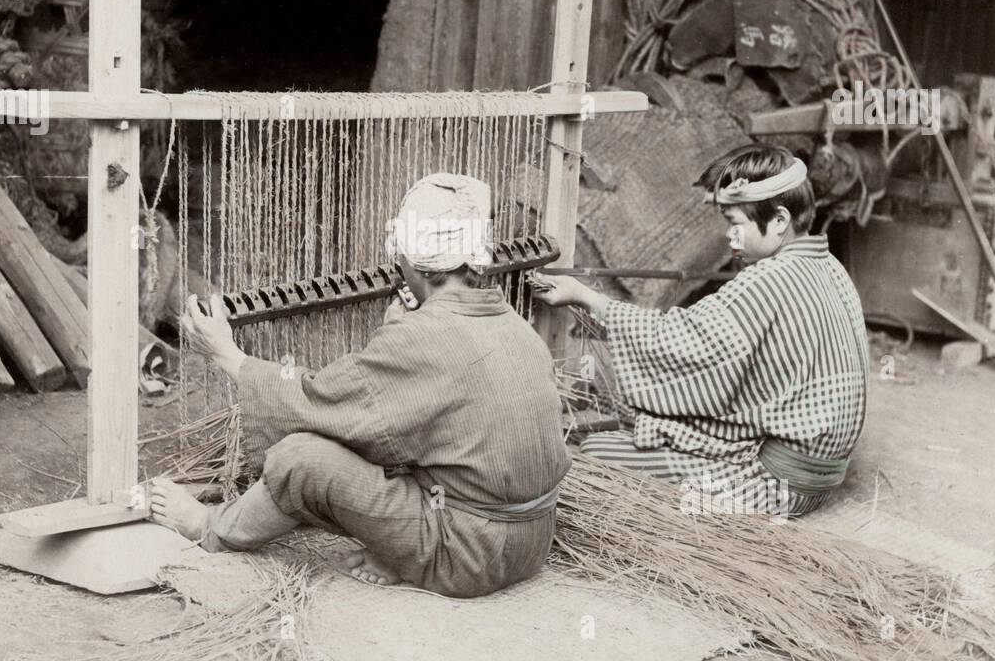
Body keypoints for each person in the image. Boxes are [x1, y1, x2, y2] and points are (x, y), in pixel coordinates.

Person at [149, 172, 570, 597]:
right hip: (529, 543)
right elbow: (413, 414)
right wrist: (401, 335)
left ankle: (210, 527)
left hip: (467, 554)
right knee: (394, 439)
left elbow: (320, 403)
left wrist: (226, 353)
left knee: (302, 459)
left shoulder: (421, 337)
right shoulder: (516, 328)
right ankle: (405, 555)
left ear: (410, 262)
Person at [536, 144, 869, 517]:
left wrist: (584, 296)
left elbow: (679, 341)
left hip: (776, 484)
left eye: (735, 223)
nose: (730, 237)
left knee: (599, 451)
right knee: (655, 426)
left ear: (778, 220)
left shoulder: (769, 279)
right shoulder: (830, 268)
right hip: (820, 475)